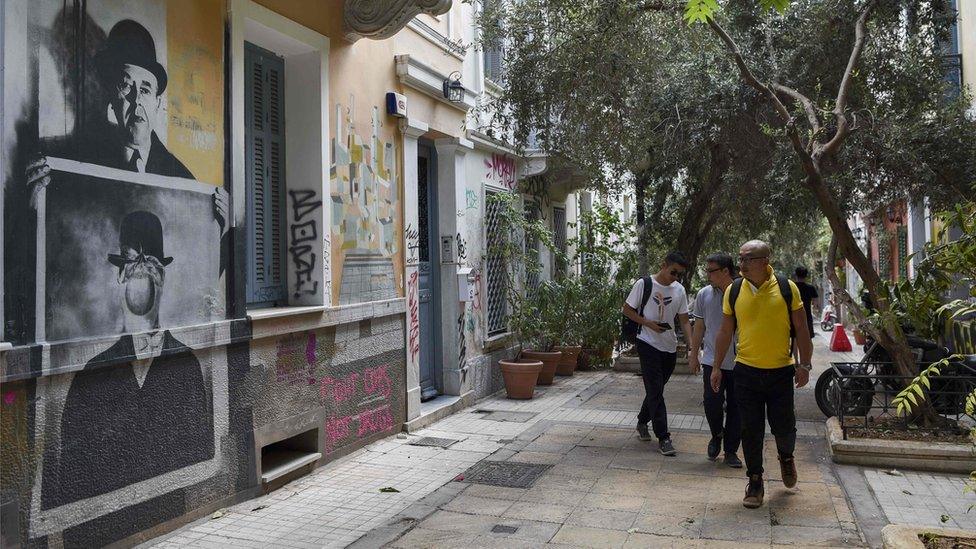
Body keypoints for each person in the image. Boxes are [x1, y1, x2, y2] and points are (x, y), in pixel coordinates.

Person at [42, 211, 214, 509]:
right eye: (132, 266)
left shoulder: (187, 364)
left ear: (162, 276)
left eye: (151, 267)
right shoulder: (90, 374)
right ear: (119, 277)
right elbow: (72, 478)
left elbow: (198, 455)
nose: (141, 277)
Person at [710, 240, 813, 509]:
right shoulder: (733, 290)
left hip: (780, 372)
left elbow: (801, 329)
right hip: (746, 371)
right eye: (740, 258)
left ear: (765, 260)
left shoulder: (786, 288)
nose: (741, 264)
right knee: (750, 429)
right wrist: (718, 366)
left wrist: (805, 364)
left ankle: (786, 457)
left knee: (784, 426)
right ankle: (755, 481)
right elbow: (725, 331)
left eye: (747, 259)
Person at [622, 251, 693, 456]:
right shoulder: (644, 284)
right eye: (673, 272)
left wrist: (691, 347)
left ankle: (642, 421)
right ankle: (664, 437)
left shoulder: (679, 290)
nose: (676, 277)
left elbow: (684, 320)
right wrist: (648, 323)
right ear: (663, 265)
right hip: (647, 342)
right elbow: (627, 309)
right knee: (655, 389)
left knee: (657, 389)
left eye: (679, 274)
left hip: (669, 346)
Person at [689, 253, 742, 468]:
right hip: (712, 361)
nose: (707, 274)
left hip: (741, 361)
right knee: (712, 403)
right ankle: (716, 435)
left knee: (737, 408)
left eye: (711, 270)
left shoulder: (743, 293)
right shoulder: (703, 295)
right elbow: (699, 327)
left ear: (725, 271)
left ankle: (731, 451)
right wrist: (694, 354)